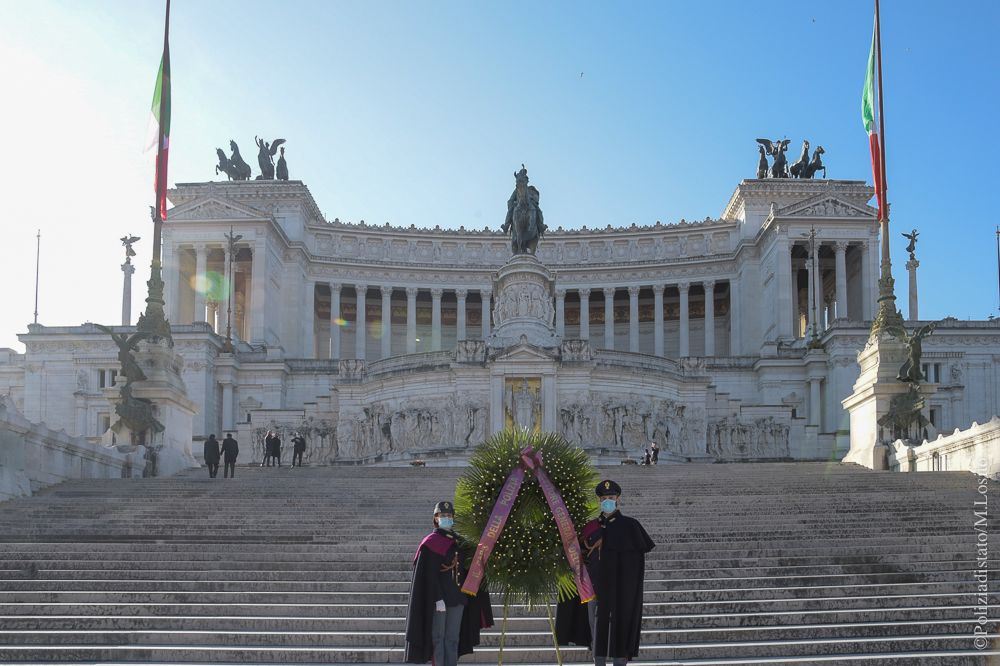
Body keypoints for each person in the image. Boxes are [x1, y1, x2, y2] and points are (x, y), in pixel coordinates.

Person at [556, 479, 655, 666]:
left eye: (611, 497)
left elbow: (636, 562)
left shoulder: (631, 526)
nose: (607, 501)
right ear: (599, 501)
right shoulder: (590, 527)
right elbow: (580, 556)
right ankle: (597, 659)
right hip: (595, 586)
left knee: (621, 622)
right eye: (603, 498)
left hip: (620, 587)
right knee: (595, 622)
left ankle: (620, 660)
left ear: (617, 499)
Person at [404, 501, 493, 665]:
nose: (446, 518)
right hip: (439, 600)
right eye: (443, 516)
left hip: (458, 599)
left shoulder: (459, 542)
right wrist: (437, 599)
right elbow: (429, 576)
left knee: (452, 640)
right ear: (436, 519)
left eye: (449, 516)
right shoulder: (430, 543)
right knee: (438, 639)